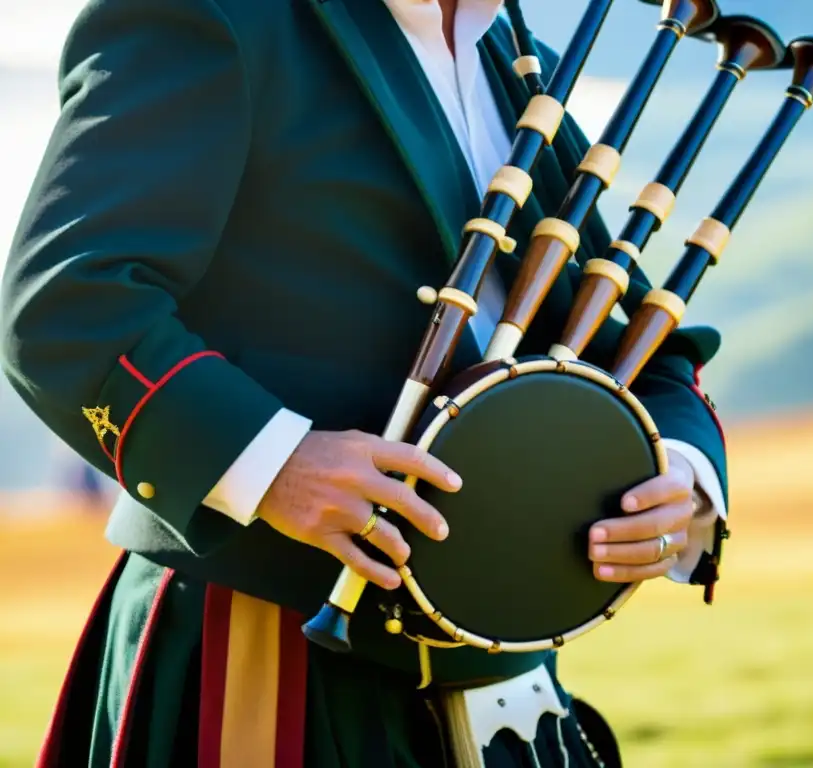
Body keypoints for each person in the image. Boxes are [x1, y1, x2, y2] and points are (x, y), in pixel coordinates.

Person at [0, 0, 729, 765]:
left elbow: (633, 335)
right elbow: (67, 303)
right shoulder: (212, 14)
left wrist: (678, 474)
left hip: (510, 691)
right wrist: (273, 462)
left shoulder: (510, 50)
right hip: (263, 660)